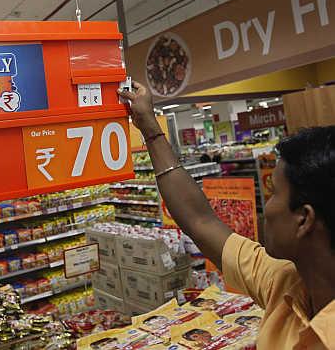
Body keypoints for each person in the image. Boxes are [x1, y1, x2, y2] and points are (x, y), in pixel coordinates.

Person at [118, 81, 334, 349]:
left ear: (304, 218)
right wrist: (150, 129)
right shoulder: (287, 282)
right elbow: (200, 221)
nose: (266, 207)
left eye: (274, 193)